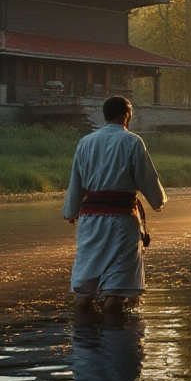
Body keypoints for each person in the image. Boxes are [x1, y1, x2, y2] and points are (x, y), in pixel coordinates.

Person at [63, 96, 166, 315]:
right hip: (121, 220)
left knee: (84, 290)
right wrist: (158, 201)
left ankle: (85, 343)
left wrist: (71, 211)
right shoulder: (132, 141)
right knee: (116, 292)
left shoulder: (86, 142)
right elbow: (146, 177)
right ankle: (115, 344)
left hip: (90, 220)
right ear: (126, 115)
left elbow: (76, 180)